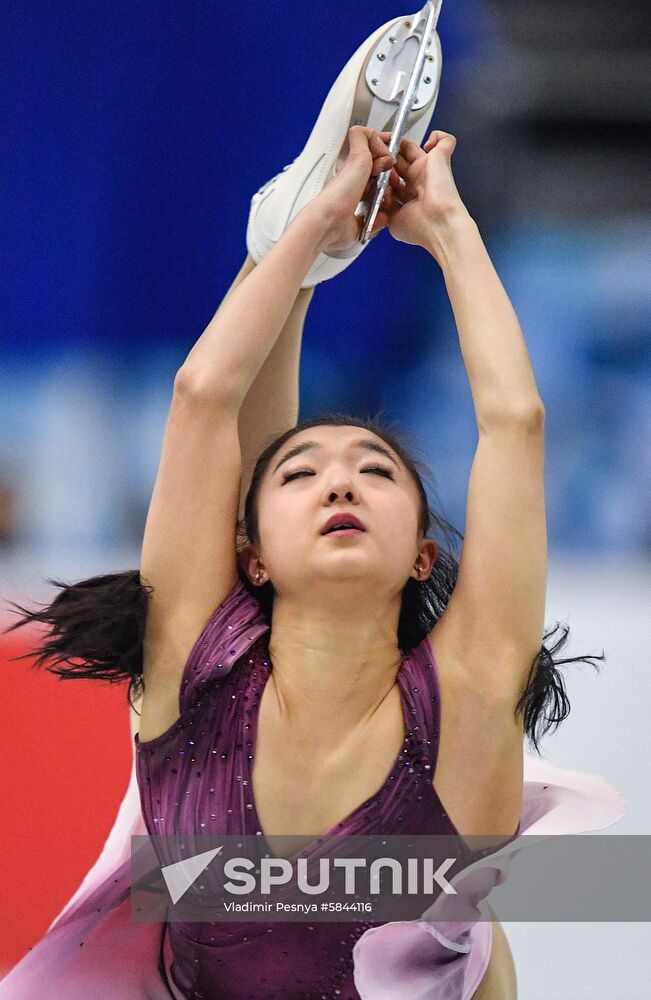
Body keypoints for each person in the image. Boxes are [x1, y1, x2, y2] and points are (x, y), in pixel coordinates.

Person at [1, 122, 626, 1000]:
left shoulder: (472, 696)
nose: (341, 484)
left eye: (376, 472)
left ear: (422, 554)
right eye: (304, 474)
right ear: (251, 559)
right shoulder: (192, 671)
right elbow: (204, 396)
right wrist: (298, 239)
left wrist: (449, 230)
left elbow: (514, 423)